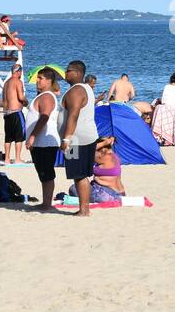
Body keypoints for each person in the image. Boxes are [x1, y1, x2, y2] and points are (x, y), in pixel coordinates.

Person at [58, 60, 100, 217]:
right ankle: (84, 208)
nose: (65, 73)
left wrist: (66, 139)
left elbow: (73, 116)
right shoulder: (87, 88)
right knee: (80, 174)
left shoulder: (76, 91)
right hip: (86, 136)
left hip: (76, 140)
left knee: (79, 174)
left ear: (77, 73)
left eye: (68, 71)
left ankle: (84, 210)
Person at [24, 67, 64, 210]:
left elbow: (44, 117)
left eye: (40, 78)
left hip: (44, 143)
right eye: (38, 78)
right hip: (41, 143)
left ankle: (47, 203)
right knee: (43, 173)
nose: (37, 81)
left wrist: (33, 136)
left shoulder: (47, 96)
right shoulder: (43, 95)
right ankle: (45, 202)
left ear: (49, 81)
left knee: (46, 173)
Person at [1, 63, 27, 164]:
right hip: (16, 112)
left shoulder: (6, 83)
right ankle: (17, 159)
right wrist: (26, 102)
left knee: (8, 137)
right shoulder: (18, 81)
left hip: (6, 113)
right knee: (19, 136)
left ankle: (7, 159)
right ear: (19, 71)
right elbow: (21, 97)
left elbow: (3, 100)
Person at [86, 137, 125, 202]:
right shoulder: (114, 156)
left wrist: (104, 142)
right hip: (121, 193)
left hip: (107, 194)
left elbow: (88, 150)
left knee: (74, 188)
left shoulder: (102, 156)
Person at [152, 73, 175, 146]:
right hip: (174, 108)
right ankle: (172, 138)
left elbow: (163, 99)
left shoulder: (166, 86)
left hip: (165, 107)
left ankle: (162, 137)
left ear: (170, 79)